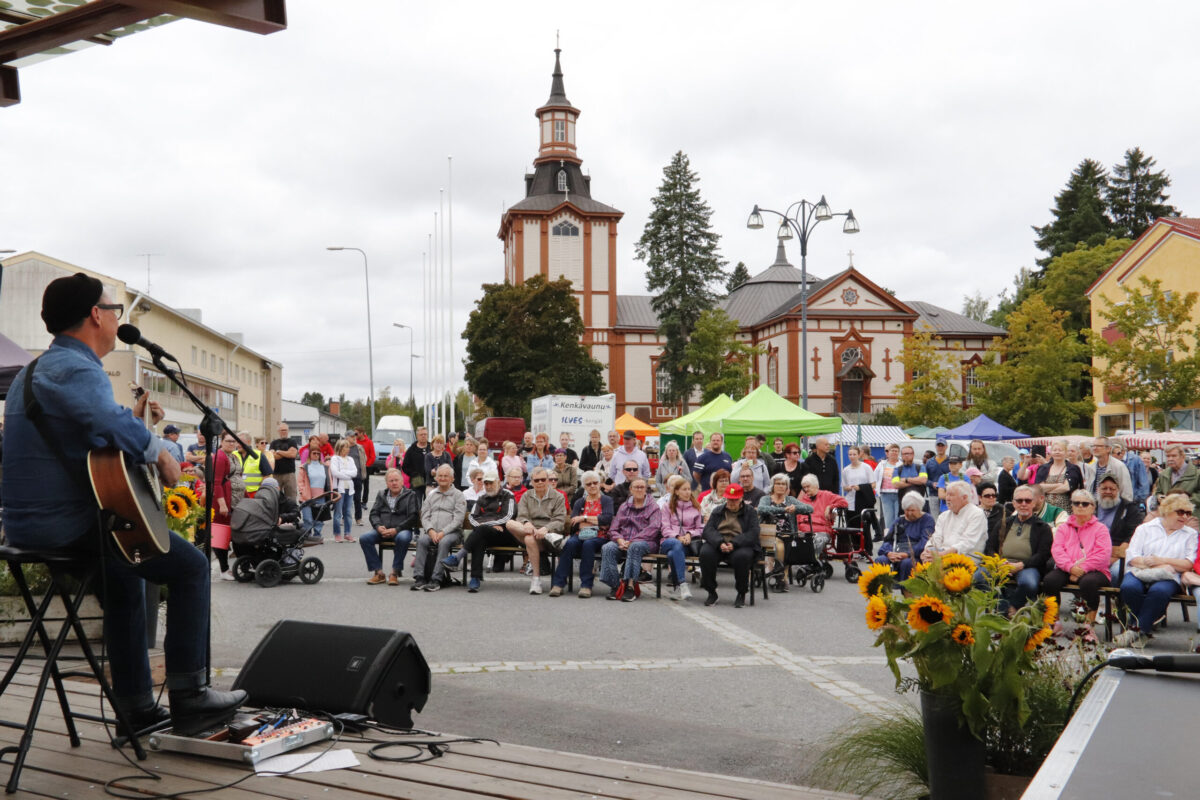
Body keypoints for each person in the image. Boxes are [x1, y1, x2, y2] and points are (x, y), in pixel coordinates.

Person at [0, 273, 243, 736]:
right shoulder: (74, 367)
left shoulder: (35, 371)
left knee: (128, 580)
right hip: (64, 526)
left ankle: (136, 708)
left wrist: (131, 429)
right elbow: (102, 417)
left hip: (30, 527)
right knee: (191, 566)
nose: (116, 319)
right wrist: (158, 453)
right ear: (96, 315)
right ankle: (190, 696)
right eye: (113, 310)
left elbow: (86, 437)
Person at [1115, 493, 1199, 647]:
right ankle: (1144, 629)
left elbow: (1187, 564)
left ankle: (1135, 630)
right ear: (1167, 511)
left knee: (1159, 592)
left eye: (1188, 513)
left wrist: (1162, 560)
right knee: (1129, 587)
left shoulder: (1190, 534)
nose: (1185, 517)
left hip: (1169, 576)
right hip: (1140, 571)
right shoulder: (1145, 528)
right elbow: (1133, 557)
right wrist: (1157, 565)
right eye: (1180, 512)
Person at [1041, 489, 1112, 637]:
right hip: (1068, 568)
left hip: (1095, 571)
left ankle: (1088, 626)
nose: (1080, 506)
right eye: (1076, 503)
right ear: (1071, 506)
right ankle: (1055, 622)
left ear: (1092, 507)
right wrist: (1070, 568)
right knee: (1050, 581)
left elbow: (1103, 555)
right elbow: (1057, 550)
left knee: (1088, 583)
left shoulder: (1101, 529)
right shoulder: (1064, 528)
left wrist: (1082, 568)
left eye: (1085, 504)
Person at [443, 467, 518, 592]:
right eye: (486, 483)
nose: (488, 486)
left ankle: (458, 557)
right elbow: (472, 517)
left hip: (505, 534)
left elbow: (509, 516)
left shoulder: (507, 495)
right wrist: (487, 526)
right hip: (486, 534)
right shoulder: (482, 498)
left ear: (498, 482)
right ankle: (475, 579)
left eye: (491, 483)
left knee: (481, 531)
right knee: (480, 539)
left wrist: (485, 525)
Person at [984, 484, 1053, 612]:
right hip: (1001, 564)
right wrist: (999, 562)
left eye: (1027, 500)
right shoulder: (1004, 523)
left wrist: (1021, 565)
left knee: (1029, 584)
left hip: (1027, 566)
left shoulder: (1042, 527)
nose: (1023, 504)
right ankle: (1003, 609)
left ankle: (1012, 608)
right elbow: (990, 547)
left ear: (1033, 503)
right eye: (1019, 500)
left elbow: (1043, 554)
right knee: (978, 578)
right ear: (1014, 503)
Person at [548, 470, 614, 598]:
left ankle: (586, 585)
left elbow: (606, 519)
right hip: (580, 534)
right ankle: (559, 583)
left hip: (600, 536)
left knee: (588, 545)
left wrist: (584, 518)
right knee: (570, 544)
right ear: (584, 486)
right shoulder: (580, 502)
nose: (593, 486)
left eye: (595, 483)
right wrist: (595, 520)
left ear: (600, 484)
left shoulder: (606, 500)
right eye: (589, 484)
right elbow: (574, 522)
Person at [598, 477, 661, 602]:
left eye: (642, 487)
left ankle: (630, 586)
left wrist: (633, 540)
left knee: (635, 547)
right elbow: (614, 528)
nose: (639, 489)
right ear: (630, 490)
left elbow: (653, 528)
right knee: (607, 547)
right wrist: (619, 539)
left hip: (645, 541)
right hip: (623, 540)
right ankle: (615, 586)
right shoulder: (624, 507)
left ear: (646, 490)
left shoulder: (653, 507)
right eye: (636, 487)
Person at [507, 466, 568, 594]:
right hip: (529, 529)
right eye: (536, 480)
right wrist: (527, 523)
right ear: (531, 482)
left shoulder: (558, 496)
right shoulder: (526, 495)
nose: (540, 482)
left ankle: (536, 579)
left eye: (542, 479)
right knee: (509, 523)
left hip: (549, 533)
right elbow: (521, 515)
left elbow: (559, 520)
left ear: (547, 480)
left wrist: (546, 529)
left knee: (529, 538)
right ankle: (536, 579)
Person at [698, 484, 760, 608]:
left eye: (735, 499)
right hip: (719, 543)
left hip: (740, 544)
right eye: (729, 499)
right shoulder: (718, 510)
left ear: (741, 498)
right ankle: (711, 592)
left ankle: (741, 592)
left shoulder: (750, 512)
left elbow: (753, 533)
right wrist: (719, 542)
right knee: (706, 554)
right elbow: (708, 530)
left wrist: (734, 543)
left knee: (742, 557)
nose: (731, 502)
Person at [412, 464, 466, 591]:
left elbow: (458, 519)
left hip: (452, 533)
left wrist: (443, 532)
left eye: (446, 476)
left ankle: (436, 579)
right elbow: (424, 515)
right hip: (432, 532)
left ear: (452, 479)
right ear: (436, 478)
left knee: (444, 542)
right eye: (440, 476)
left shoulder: (458, 495)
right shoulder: (431, 494)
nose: (442, 478)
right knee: (421, 541)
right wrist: (430, 530)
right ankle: (419, 577)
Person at [361, 468, 419, 585]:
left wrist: (396, 529)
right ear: (387, 483)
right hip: (382, 529)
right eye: (391, 481)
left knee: (402, 538)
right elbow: (374, 513)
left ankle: (394, 572)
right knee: (364, 538)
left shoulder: (410, 495)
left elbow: (413, 517)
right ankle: (378, 573)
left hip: (402, 530)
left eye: (396, 480)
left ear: (402, 482)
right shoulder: (381, 494)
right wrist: (378, 526)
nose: (394, 483)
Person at [758, 473, 814, 591]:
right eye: (778, 483)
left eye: (783, 484)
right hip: (769, 532)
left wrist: (796, 508)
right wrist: (783, 509)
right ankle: (782, 577)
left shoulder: (790, 500)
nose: (781, 486)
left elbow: (810, 509)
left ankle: (781, 575)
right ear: (773, 486)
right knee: (780, 545)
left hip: (788, 533)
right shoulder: (766, 499)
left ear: (787, 487)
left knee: (787, 542)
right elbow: (762, 509)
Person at [921, 482, 988, 563]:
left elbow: (967, 543)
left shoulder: (976, 514)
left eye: (951, 495)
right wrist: (927, 551)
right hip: (942, 555)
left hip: (967, 559)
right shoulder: (943, 516)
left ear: (964, 497)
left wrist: (941, 555)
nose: (947, 498)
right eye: (947, 494)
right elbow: (936, 538)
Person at [1094, 474, 1144, 582]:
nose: (1108, 491)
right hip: (1093, 551)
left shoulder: (1129, 508)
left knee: (1116, 572)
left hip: (1119, 553)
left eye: (1112, 489)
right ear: (1098, 489)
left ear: (1118, 490)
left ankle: (1115, 598)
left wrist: (1117, 555)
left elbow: (1133, 533)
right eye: (1104, 488)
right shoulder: (1091, 506)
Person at [875, 492, 935, 580]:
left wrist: (907, 554)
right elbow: (888, 540)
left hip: (916, 553)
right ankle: (881, 591)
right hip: (898, 551)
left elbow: (924, 542)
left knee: (907, 563)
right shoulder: (899, 521)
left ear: (919, 508)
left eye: (912, 510)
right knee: (880, 561)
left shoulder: (927, 520)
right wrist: (888, 553)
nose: (909, 513)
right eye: (907, 510)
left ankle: (907, 591)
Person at [660, 479, 702, 601]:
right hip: (669, 541)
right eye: (684, 489)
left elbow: (700, 529)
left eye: (689, 489)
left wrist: (690, 534)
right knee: (675, 544)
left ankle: (678, 587)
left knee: (673, 553)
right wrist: (678, 536)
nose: (688, 492)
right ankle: (683, 584)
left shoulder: (696, 508)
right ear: (677, 492)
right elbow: (665, 528)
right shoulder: (667, 507)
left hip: (687, 544)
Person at [796, 473, 848, 552]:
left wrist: (830, 506)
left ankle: (810, 561)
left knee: (816, 541)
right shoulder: (803, 499)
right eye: (804, 487)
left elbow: (844, 502)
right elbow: (797, 517)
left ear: (816, 485)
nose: (806, 489)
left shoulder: (826, 495)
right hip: (804, 530)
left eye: (808, 486)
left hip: (821, 530)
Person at [210, 433, 238, 579]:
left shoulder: (231, 455)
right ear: (222, 442)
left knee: (228, 533)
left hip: (231, 498)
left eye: (234, 441)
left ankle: (230, 567)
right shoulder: (220, 457)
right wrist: (222, 504)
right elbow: (216, 482)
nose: (231, 443)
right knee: (221, 534)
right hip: (222, 500)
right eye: (228, 441)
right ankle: (224, 569)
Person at [1034, 440, 1084, 516]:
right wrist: (1059, 485)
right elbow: (1039, 488)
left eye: (1060, 450)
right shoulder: (1043, 468)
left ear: (1066, 453)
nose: (1057, 452)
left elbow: (1067, 488)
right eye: (1055, 450)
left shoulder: (1072, 468)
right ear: (1051, 453)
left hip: (1065, 508)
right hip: (1045, 508)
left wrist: (1047, 489)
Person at [297, 440, 333, 541]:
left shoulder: (325, 467)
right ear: (310, 454)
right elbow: (300, 482)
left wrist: (329, 495)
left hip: (321, 496)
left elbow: (329, 481)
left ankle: (317, 535)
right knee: (308, 518)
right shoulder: (304, 467)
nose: (316, 455)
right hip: (307, 496)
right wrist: (303, 492)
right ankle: (307, 536)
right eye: (314, 453)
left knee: (319, 518)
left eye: (318, 453)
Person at [1152, 444, 1200, 508]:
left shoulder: (1197, 474)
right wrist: (1159, 497)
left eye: (1174, 456)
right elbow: (1158, 492)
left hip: (1189, 515)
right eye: (1168, 456)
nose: (1170, 459)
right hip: (1169, 515)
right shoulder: (1164, 474)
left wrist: (1188, 499)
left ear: (1183, 456)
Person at [329, 437, 358, 542]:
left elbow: (354, 472)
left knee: (348, 512)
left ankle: (347, 533)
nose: (348, 449)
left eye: (348, 447)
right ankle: (337, 534)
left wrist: (344, 474)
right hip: (339, 489)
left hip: (350, 489)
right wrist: (347, 475)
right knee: (338, 512)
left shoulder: (350, 459)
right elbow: (335, 472)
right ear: (340, 448)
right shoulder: (335, 459)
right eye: (346, 447)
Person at [1088, 436, 1132, 501]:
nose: (1095, 448)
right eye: (1093, 446)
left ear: (1108, 449)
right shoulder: (1091, 467)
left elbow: (1126, 492)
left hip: (1111, 507)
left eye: (1098, 446)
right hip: (1093, 507)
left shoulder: (1119, 466)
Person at [841, 446, 875, 527]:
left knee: (864, 527)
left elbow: (873, 484)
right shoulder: (846, 470)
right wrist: (848, 488)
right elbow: (844, 486)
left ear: (859, 455)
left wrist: (861, 488)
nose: (852, 457)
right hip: (850, 501)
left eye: (854, 454)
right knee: (851, 526)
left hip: (863, 501)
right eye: (850, 454)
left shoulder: (866, 467)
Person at [1112, 441, 1151, 507]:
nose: (1112, 455)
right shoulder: (1114, 461)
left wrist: (1137, 499)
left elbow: (1144, 482)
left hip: (1133, 500)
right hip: (1117, 500)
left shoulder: (1135, 460)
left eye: (1114, 453)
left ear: (1122, 451)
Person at [268, 423, 298, 502]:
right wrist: (286, 453)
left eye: (285, 430)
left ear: (288, 431)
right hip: (276, 474)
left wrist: (278, 451)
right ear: (278, 431)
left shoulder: (292, 442)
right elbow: (273, 456)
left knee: (291, 497)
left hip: (289, 474)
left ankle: (291, 513)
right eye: (282, 430)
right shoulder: (274, 443)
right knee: (275, 496)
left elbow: (292, 454)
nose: (283, 432)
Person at [891, 446, 928, 510]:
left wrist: (906, 480)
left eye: (909, 453)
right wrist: (915, 481)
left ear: (913, 455)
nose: (907, 456)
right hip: (904, 505)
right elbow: (895, 484)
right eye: (904, 454)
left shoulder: (920, 467)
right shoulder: (897, 469)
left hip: (919, 504)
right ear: (901, 456)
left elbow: (923, 480)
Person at [401, 426, 432, 496]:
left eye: (425, 434)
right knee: (416, 502)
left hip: (430, 480)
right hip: (416, 480)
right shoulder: (412, 449)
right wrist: (414, 474)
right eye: (421, 434)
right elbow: (405, 467)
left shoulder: (432, 447)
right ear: (417, 436)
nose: (423, 436)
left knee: (430, 503)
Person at [924, 441, 950, 508]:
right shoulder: (929, 462)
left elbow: (954, 476)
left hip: (947, 494)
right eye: (938, 446)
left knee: (946, 516)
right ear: (935, 447)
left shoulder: (950, 461)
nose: (940, 448)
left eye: (942, 446)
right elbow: (924, 479)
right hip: (933, 494)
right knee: (934, 517)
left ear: (946, 447)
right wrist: (932, 484)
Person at [355, 427, 376, 510]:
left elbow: (372, 456)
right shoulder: (355, 442)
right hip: (356, 467)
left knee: (365, 485)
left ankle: (364, 502)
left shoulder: (369, 442)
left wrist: (367, 465)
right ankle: (357, 501)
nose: (355, 435)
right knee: (357, 485)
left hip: (366, 467)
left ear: (362, 433)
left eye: (356, 433)